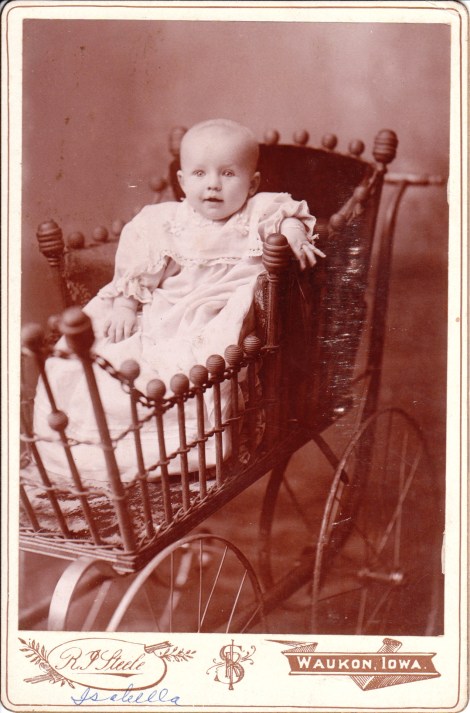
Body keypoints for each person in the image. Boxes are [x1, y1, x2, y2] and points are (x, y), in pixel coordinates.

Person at [31, 119, 323, 485]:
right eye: (200, 173)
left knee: (198, 362)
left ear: (252, 184)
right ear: (183, 182)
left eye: (228, 173)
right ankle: (103, 449)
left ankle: (188, 445)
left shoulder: (257, 212)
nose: (213, 184)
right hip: (167, 309)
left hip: (218, 310)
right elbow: (142, 271)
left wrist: (295, 236)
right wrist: (126, 305)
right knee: (115, 355)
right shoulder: (168, 221)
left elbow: (288, 217)